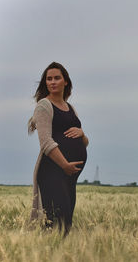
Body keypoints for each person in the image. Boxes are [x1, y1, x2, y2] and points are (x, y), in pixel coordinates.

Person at [28, 62, 89, 235]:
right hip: (52, 171)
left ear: (66, 82)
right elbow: (46, 142)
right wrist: (65, 165)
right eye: (49, 79)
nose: (52, 82)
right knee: (57, 221)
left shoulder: (71, 108)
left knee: (66, 221)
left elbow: (83, 142)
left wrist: (82, 134)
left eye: (57, 78)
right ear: (45, 83)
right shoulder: (44, 106)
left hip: (69, 175)